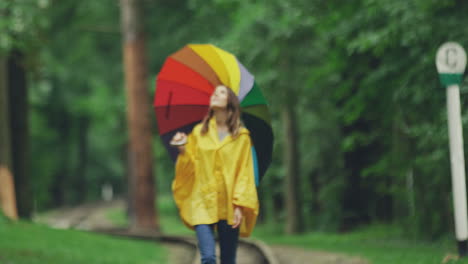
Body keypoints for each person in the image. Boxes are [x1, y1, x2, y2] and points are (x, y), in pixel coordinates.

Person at [170, 85, 259, 264]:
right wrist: (182, 150)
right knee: (208, 257)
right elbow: (191, 166)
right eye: (214, 93)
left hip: (229, 204)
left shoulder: (242, 137)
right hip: (202, 199)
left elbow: (244, 173)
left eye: (221, 93)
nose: (215, 95)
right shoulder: (198, 133)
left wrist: (239, 206)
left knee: (228, 259)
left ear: (230, 103)